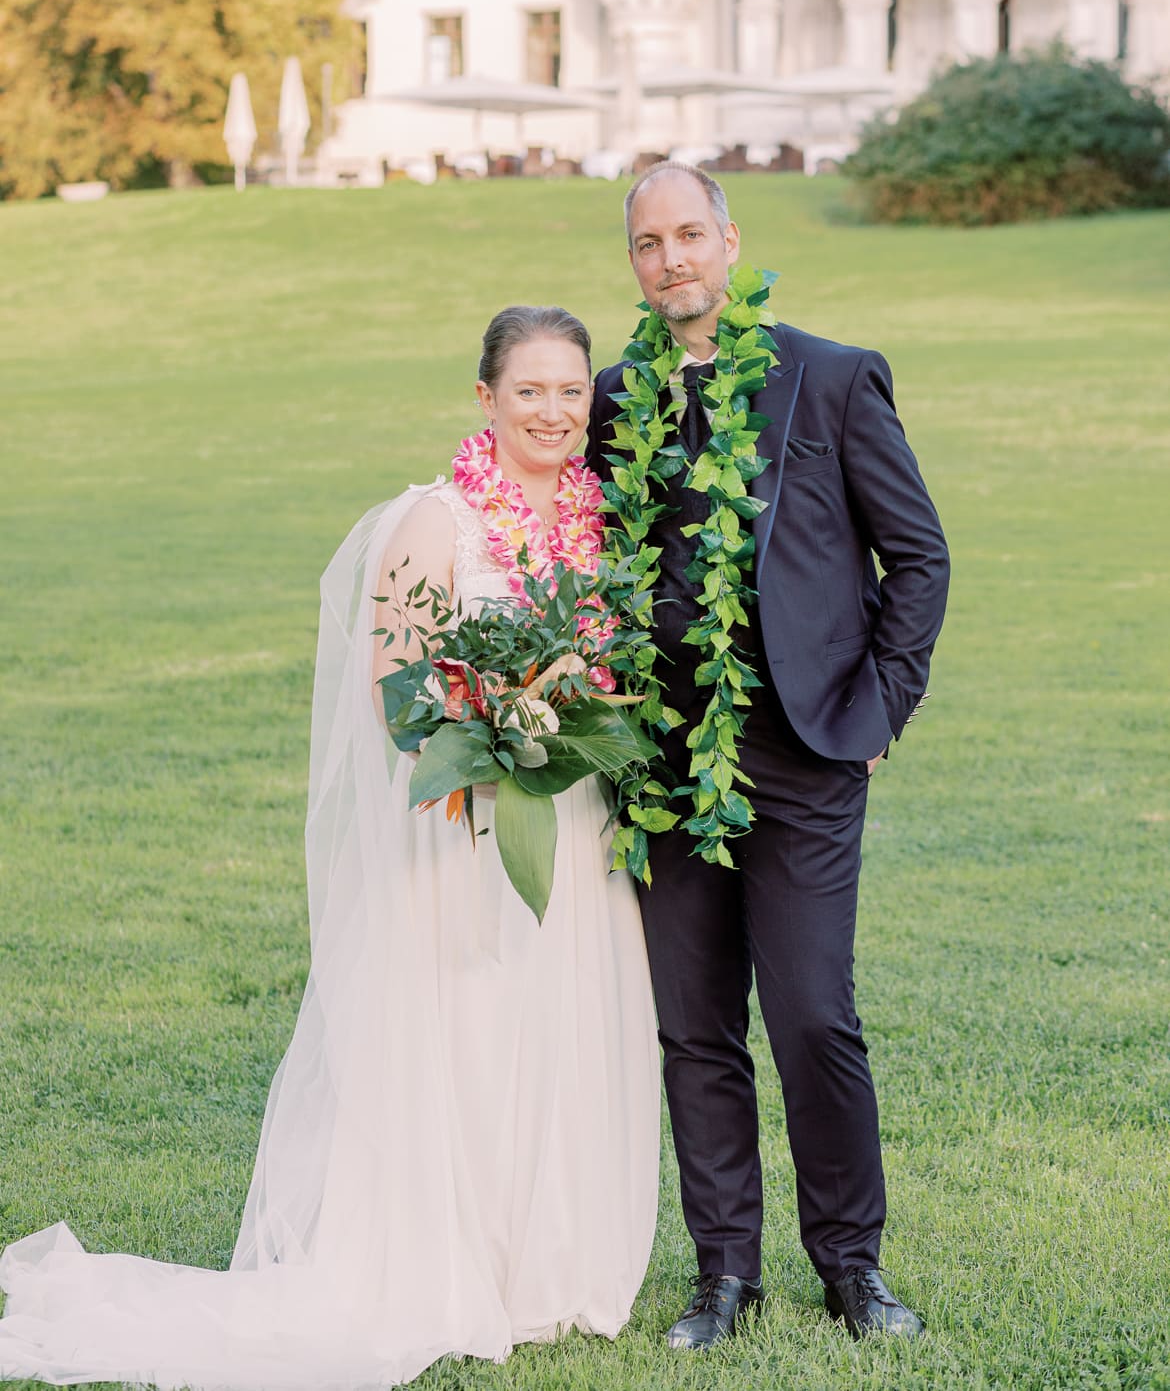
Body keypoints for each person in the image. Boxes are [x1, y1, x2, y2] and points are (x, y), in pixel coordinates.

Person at [0, 305, 659, 1391]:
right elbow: (397, 687)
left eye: (572, 391)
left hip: (573, 822)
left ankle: (549, 1268)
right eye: (529, 391)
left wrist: (575, 720)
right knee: (475, 1035)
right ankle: (450, 1267)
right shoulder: (434, 522)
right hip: (471, 823)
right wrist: (500, 733)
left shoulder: (599, 521)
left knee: (563, 1029)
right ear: (484, 398)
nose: (553, 411)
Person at [587, 165, 950, 1351]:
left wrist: (879, 711)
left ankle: (852, 1266)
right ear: (633, 261)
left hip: (802, 753)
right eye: (648, 242)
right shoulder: (614, 395)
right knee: (694, 1029)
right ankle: (724, 1276)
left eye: (689, 233)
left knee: (810, 1018)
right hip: (666, 764)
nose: (670, 258)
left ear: (730, 241)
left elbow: (919, 557)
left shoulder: (833, 377)